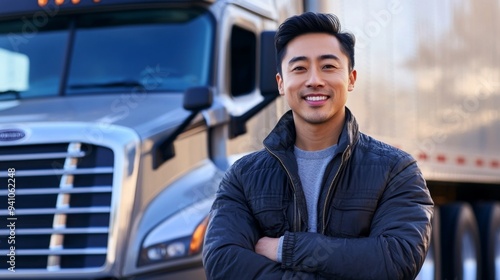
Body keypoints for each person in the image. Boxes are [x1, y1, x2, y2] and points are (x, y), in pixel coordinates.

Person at [202, 12, 433, 279]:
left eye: (328, 66)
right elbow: (222, 262)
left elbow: (395, 260)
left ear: (351, 79)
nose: (314, 80)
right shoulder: (243, 176)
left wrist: (285, 248)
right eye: (299, 68)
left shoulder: (396, 170)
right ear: (280, 83)